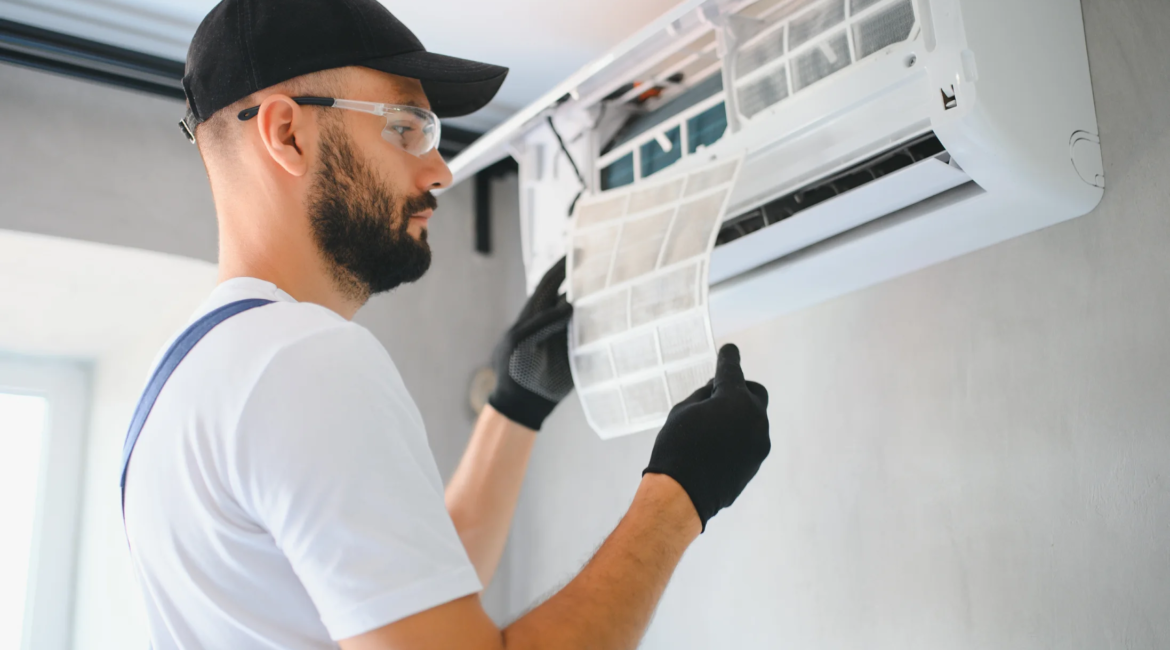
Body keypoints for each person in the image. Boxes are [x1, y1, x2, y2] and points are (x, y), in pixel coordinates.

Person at [120, 0, 772, 648]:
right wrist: (680, 495)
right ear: (287, 133)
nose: (441, 170)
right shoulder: (301, 361)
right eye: (406, 128)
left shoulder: (187, 379)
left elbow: (408, 593)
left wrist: (515, 406)